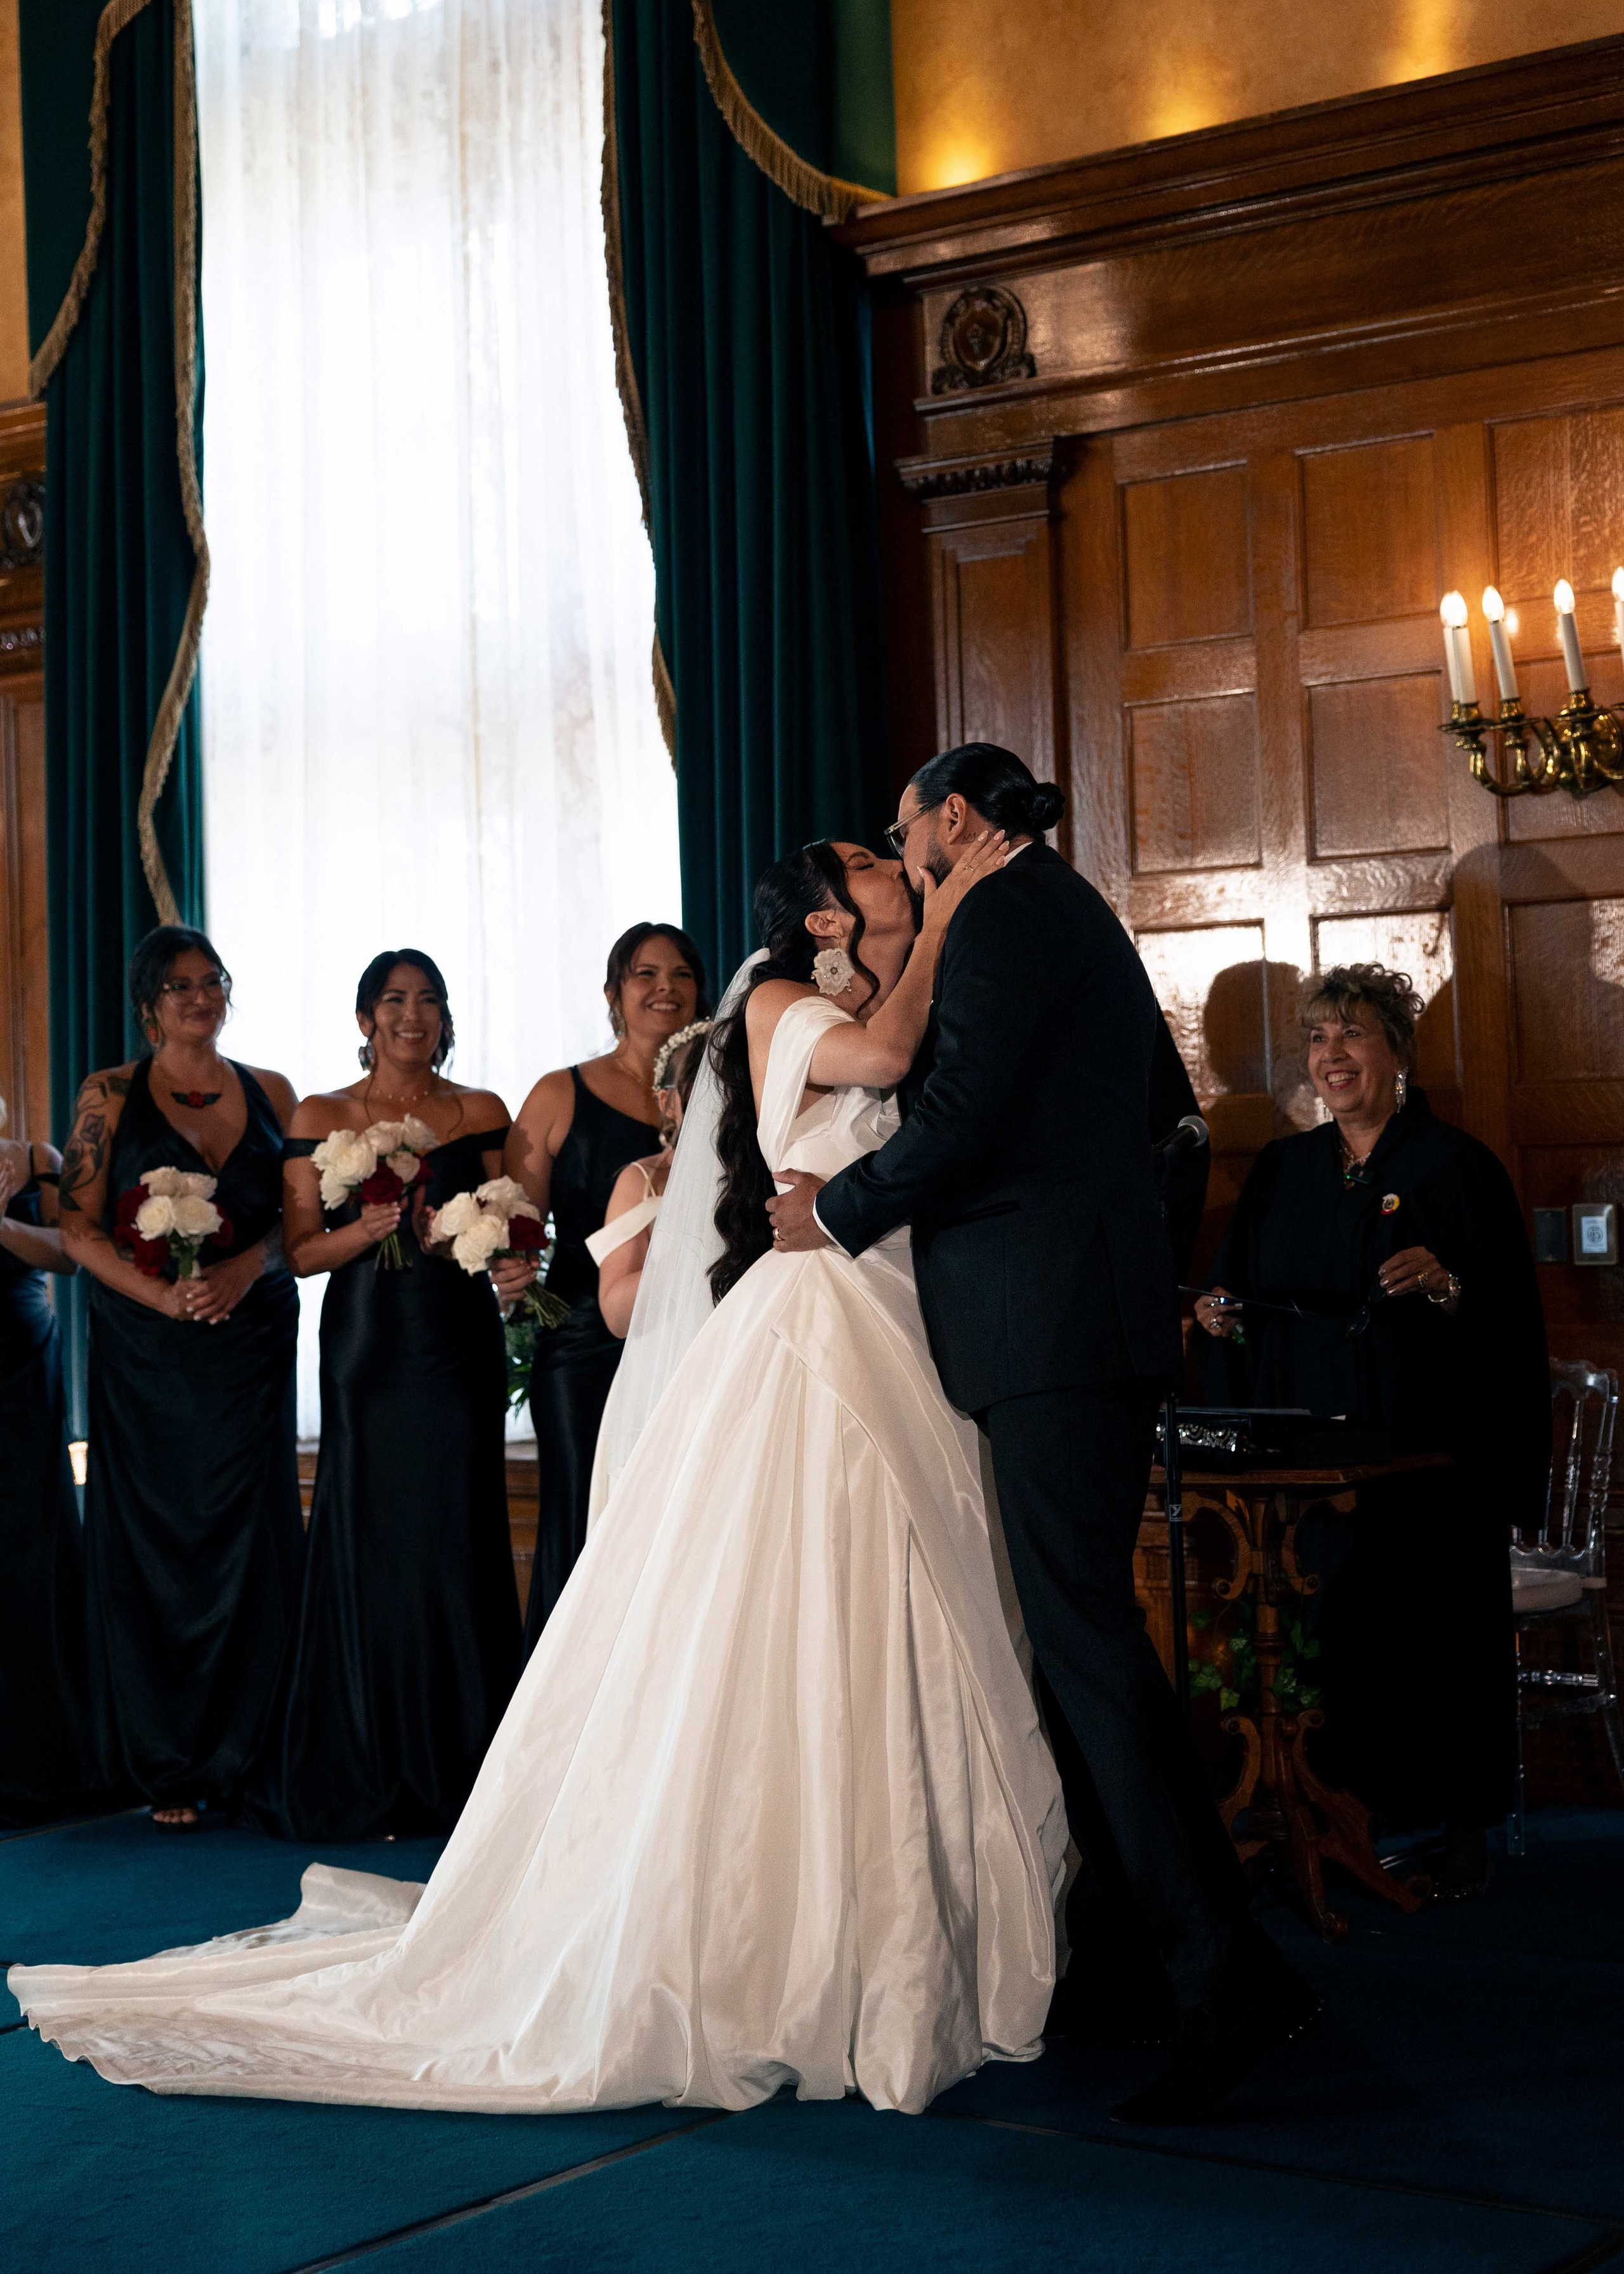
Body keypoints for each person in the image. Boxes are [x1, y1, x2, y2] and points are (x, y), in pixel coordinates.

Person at [8, 828, 1068, 2121]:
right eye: (873, 861)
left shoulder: (571, 1085)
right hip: (420, 1344)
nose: (898, 864)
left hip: (836, 1322)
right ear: (825, 920)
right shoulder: (779, 1008)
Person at [768, 742, 1315, 2127]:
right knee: (1087, 1648)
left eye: (904, 835)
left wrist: (828, 1214)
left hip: (1049, 1334)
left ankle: (1214, 1982)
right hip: (1074, 1320)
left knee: (1086, 1652)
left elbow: (956, 1120)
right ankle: (1194, 1961)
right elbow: (1161, 1122)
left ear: (953, 819)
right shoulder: (1061, 907)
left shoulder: (1007, 913)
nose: (899, 861)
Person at [1196, 961, 1549, 1900]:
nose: (1333, 1054)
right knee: (1326, 1634)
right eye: (1318, 1038)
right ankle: (1341, 1814)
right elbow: (1238, 1290)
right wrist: (1219, 1314)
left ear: (1396, 1050)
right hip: (1311, 1457)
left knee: (1440, 1640)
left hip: (1426, 1454)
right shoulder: (1283, 1170)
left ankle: (1461, 1826)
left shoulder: (1454, 1167)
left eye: (1352, 1034)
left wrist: (1445, 1283)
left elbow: (1507, 1314)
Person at [254, 950, 532, 1843]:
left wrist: (494, 1257)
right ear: (367, 1017)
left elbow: (513, 1224)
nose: (413, 1015)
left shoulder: (481, 1111)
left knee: (457, 1531)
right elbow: (298, 1254)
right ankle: (366, 1759)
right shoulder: (322, 1115)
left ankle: (465, 1767)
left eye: (429, 1001)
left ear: (447, 1019)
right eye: (395, 1001)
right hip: (368, 1344)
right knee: (370, 1533)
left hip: (456, 1344)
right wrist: (367, 1230)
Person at [56, 928, 301, 1831]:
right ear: (148, 1004)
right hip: (149, 1355)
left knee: (249, 1532)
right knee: (157, 1540)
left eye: (213, 982)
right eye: (180, 986)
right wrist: (161, 1300)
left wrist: (246, 1271)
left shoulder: (273, 1092)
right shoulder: (108, 1096)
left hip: (251, 1345)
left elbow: (297, 1225)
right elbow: (80, 1233)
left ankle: (252, 1749)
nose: (201, 998)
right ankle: (164, 1759)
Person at [506, 923, 707, 1643]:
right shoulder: (562, 1092)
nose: (664, 988)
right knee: (584, 1517)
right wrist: (508, 1265)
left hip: (689, 1339)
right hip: (585, 1345)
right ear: (613, 993)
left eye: (681, 974)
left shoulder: (725, 1091)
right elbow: (516, 1222)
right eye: (645, 974)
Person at [0, 1096, 91, 1823]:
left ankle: (40, 1762)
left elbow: (70, 1250)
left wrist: (1, 1224)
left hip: (20, 1365)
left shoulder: (38, 1160)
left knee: (28, 1546)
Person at [593, 1020, 711, 1342]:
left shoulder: (769, 1166)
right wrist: (698, 1251)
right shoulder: (642, 1181)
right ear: (667, 1103)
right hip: (674, 1350)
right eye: (701, 1089)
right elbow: (615, 1314)